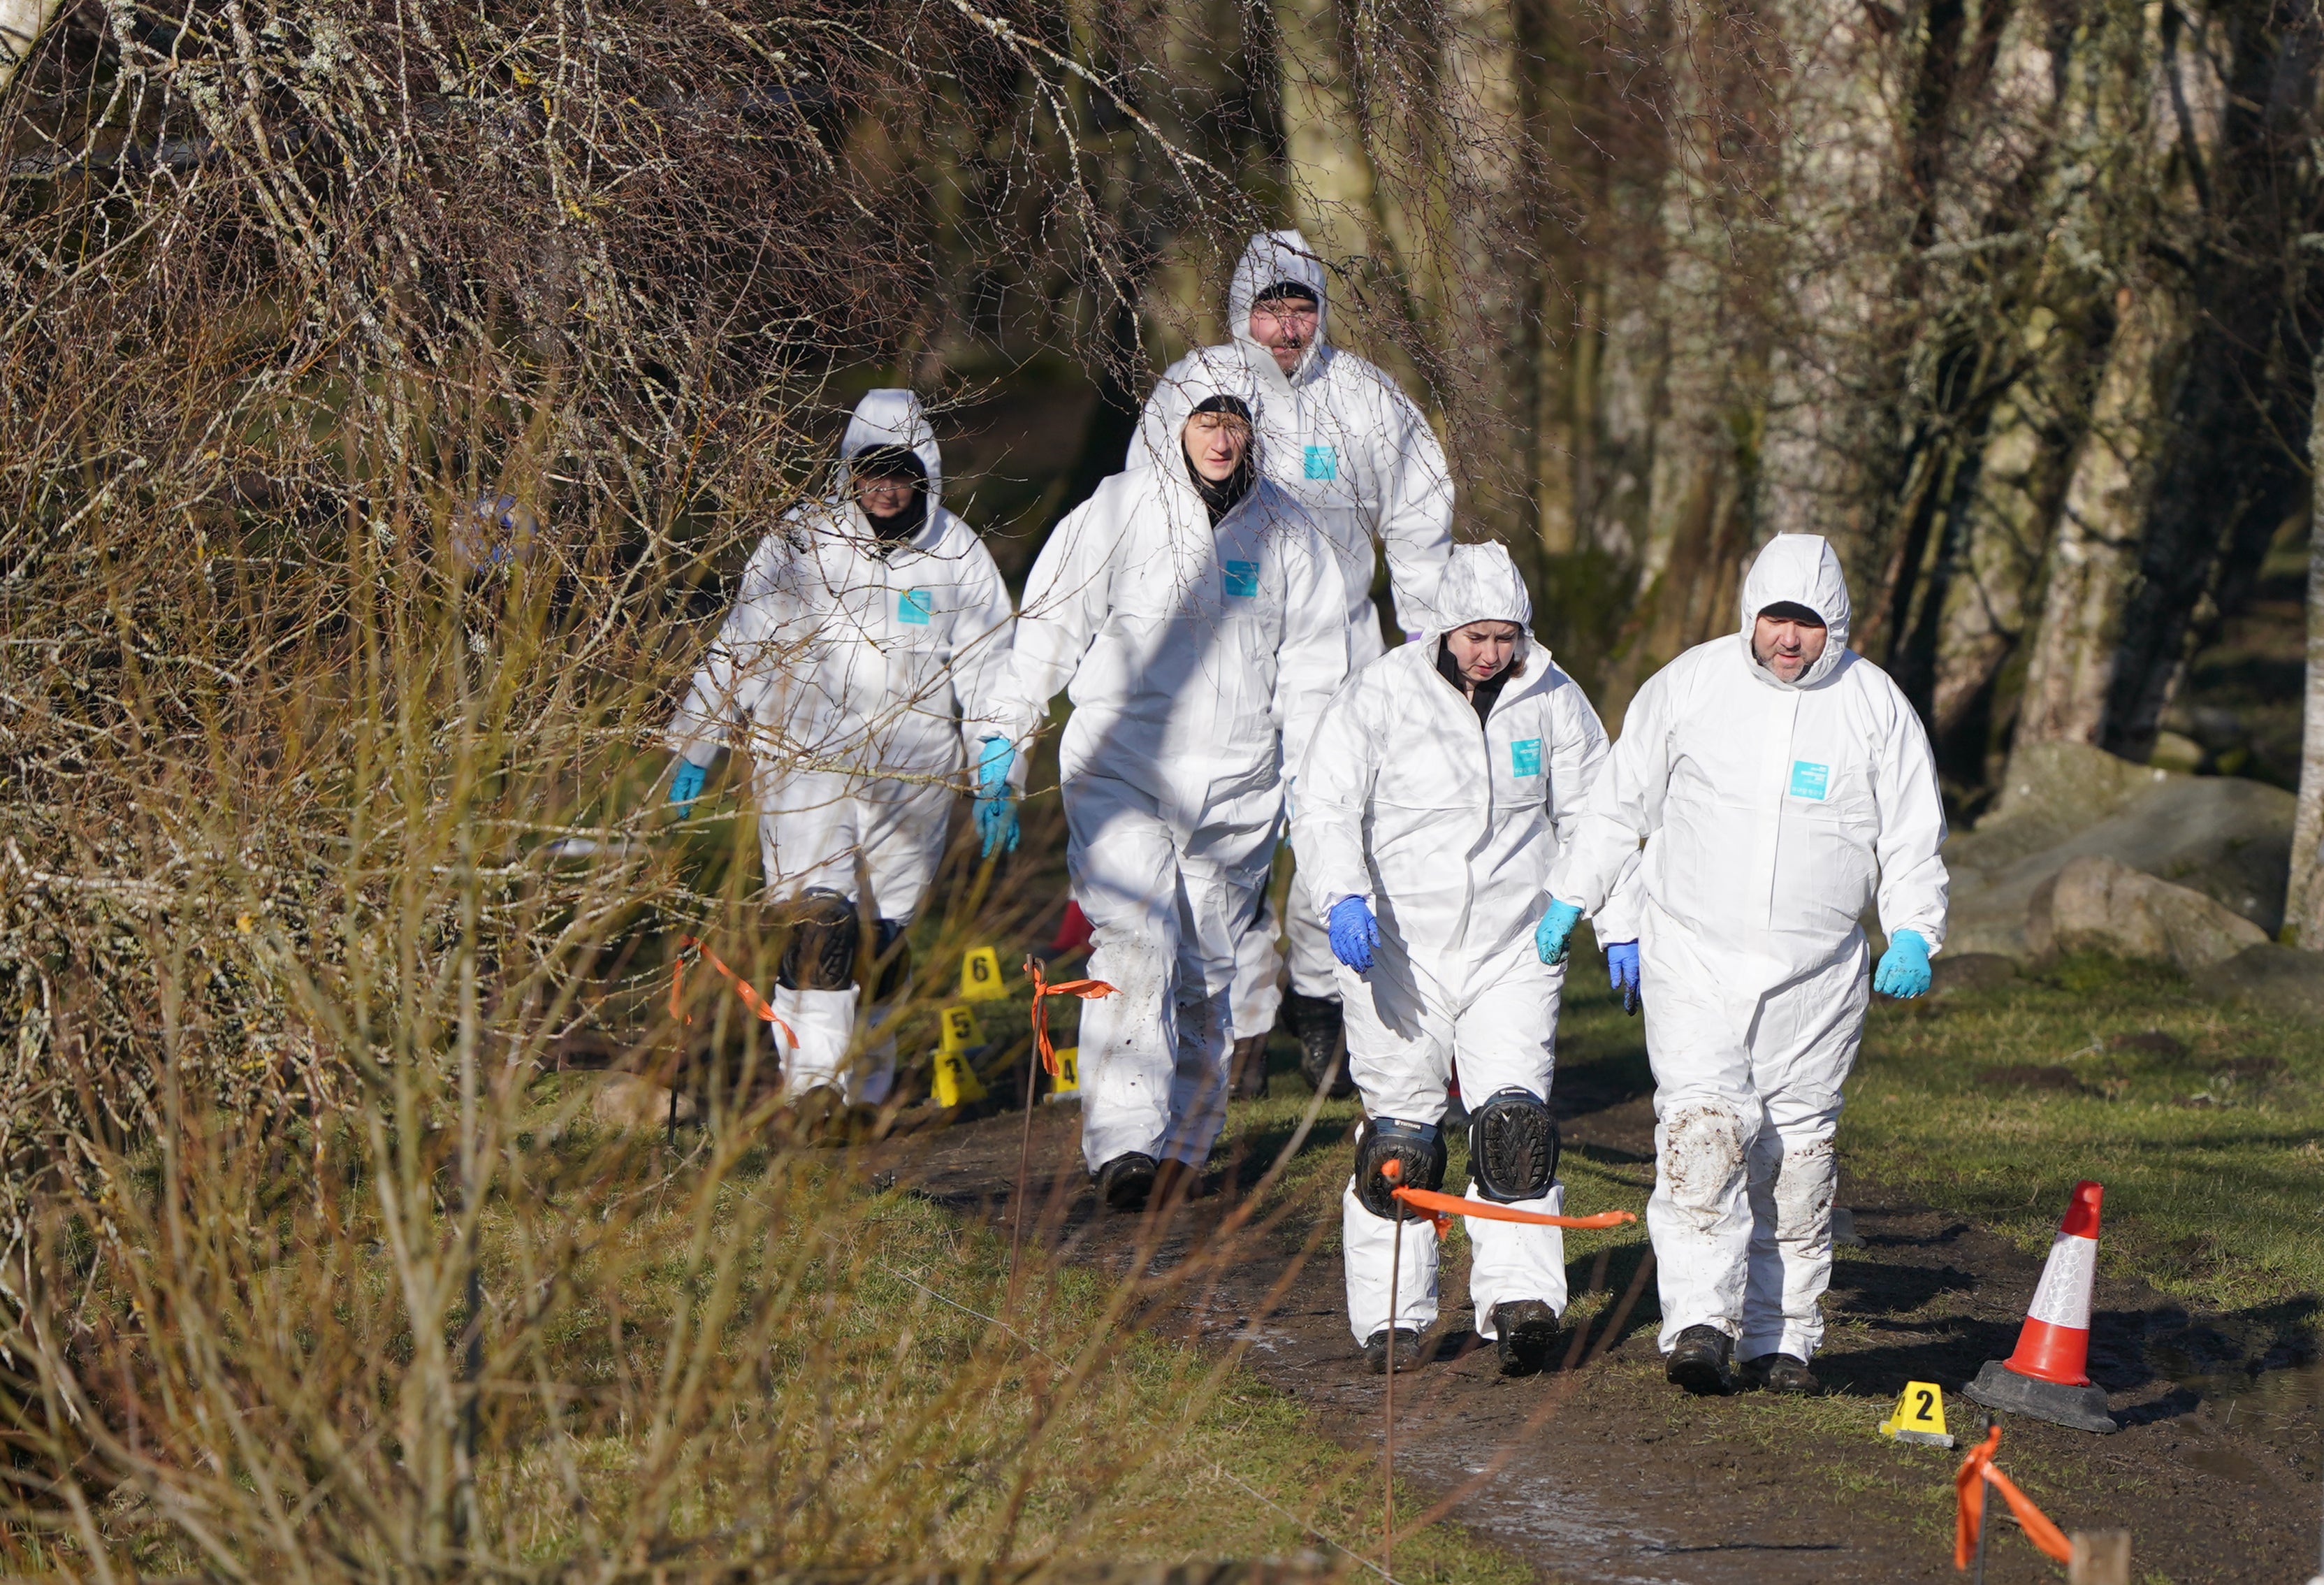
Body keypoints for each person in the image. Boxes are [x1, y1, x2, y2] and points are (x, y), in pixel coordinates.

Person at [1541, 533, 1947, 1396]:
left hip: (1817, 977)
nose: (1788, 639)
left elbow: (1912, 837)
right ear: (1748, 616)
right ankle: (1698, 1322)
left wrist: (1910, 930)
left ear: (1832, 626)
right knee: (1702, 1133)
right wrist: (1571, 895)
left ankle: (1782, 1337)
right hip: (1692, 954)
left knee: (1797, 1162)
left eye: (1805, 623)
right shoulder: (1689, 687)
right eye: (1774, 619)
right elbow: (1619, 804)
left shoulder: (1874, 708)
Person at [1012, 357, 1351, 1211]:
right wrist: (1003, 734)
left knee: (1206, 968)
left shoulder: (1286, 532)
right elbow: (1049, 620)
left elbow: (1314, 672)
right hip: (1124, 764)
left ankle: (1183, 1148)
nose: (1221, 438)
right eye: (1206, 421)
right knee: (1133, 945)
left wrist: (1314, 782)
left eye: (1235, 423)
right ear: (1173, 423)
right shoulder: (1119, 512)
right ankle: (1123, 1141)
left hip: (1237, 786)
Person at [1134, 231, 1453, 1101]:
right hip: (1221, 648)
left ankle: (1320, 1006)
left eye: (1301, 306)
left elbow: (1420, 531)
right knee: (1224, 841)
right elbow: (1145, 516)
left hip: (1341, 646)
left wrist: (1428, 650)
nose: (1285, 327)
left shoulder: (1366, 399)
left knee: (1334, 828)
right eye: (1269, 307)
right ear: (1242, 309)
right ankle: (1239, 1022)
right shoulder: (1197, 390)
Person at [1291, 543, 1624, 1376]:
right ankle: (1393, 1316)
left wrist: (1609, 917)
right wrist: (1340, 897)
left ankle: (1520, 1300)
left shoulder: (1552, 698)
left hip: (1515, 944)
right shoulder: (1379, 695)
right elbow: (1325, 802)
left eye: (1504, 636)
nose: (1489, 652)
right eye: (1475, 635)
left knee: (1515, 1126)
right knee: (1401, 1139)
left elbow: (1599, 815)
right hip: (1397, 947)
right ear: (1444, 628)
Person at [662, 389, 1024, 1113]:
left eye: (901, 471)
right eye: (871, 469)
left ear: (926, 472)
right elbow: (743, 645)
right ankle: (813, 1086)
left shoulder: (955, 554)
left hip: (913, 775)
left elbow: (994, 669)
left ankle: (863, 1089)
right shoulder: (799, 542)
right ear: (847, 471)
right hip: (805, 760)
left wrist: (999, 764)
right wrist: (695, 743)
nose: (885, 487)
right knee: (817, 918)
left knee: (881, 941)